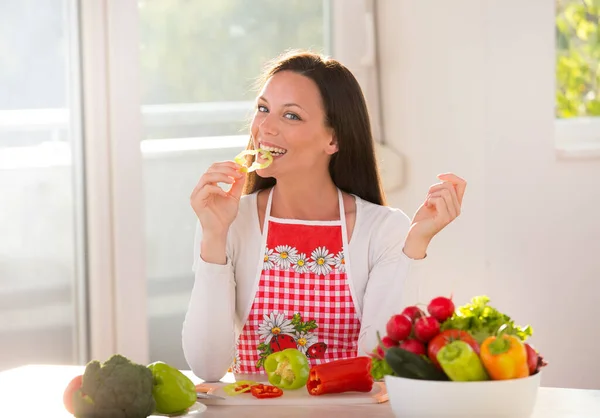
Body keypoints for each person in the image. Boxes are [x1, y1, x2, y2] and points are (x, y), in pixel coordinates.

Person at [182, 50, 466, 382]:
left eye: (291, 116)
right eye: (263, 109)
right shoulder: (228, 220)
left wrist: (415, 245)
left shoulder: (386, 229)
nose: (265, 128)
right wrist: (213, 236)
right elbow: (207, 367)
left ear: (333, 138)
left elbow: (382, 365)